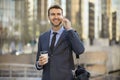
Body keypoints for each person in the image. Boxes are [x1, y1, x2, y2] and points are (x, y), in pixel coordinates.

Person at [35, 4, 85, 80]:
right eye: (53, 14)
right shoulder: (42, 37)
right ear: (49, 17)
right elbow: (37, 63)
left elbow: (80, 50)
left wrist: (69, 28)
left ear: (62, 17)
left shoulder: (70, 33)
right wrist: (39, 64)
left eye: (58, 14)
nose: (56, 17)